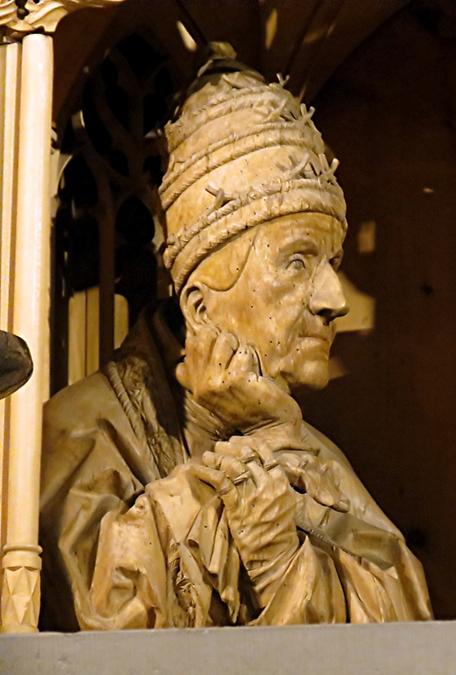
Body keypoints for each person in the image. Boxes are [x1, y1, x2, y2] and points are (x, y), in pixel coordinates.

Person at [39, 53, 431, 630]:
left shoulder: (311, 448)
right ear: (200, 305)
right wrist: (252, 463)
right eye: (299, 261)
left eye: (333, 262)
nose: (334, 298)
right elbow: (100, 624)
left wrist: (274, 453)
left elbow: (401, 635)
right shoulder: (77, 434)